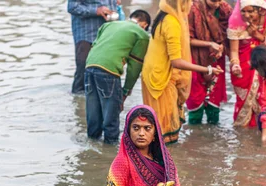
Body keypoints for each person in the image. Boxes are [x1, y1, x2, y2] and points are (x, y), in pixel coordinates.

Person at [142, 0, 223, 144]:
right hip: (161, 79)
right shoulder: (172, 23)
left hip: (156, 73)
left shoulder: (164, 15)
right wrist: (208, 69)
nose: (191, 5)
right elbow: (177, 62)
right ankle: (165, 162)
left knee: (159, 126)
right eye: (188, 2)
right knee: (165, 129)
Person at [85, 10, 151, 144]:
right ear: (144, 24)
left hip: (89, 67)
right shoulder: (142, 34)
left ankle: (91, 147)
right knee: (111, 117)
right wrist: (125, 92)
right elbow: (134, 67)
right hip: (109, 71)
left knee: (93, 113)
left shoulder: (109, 25)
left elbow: (94, 46)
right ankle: (110, 151)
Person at [228, 0, 266, 127]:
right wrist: (235, 64)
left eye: (250, 11)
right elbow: (234, 50)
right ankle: (243, 138)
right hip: (244, 68)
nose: (246, 15)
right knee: (243, 103)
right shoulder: (236, 21)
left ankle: (261, 136)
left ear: (261, 10)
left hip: (264, 66)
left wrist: (259, 36)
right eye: (243, 11)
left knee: (265, 101)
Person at [187, 0, 233, 125]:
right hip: (196, 59)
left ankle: (213, 140)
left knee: (214, 99)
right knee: (195, 99)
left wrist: (221, 47)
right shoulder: (193, 9)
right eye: (213, 1)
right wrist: (209, 44)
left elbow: (230, 35)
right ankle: (195, 138)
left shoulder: (225, 10)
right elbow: (187, 39)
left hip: (217, 59)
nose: (217, 4)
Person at [67, 0, 125, 94]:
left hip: (108, 32)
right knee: (83, 68)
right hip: (86, 33)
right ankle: (79, 103)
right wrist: (96, 10)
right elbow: (72, 7)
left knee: (107, 68)